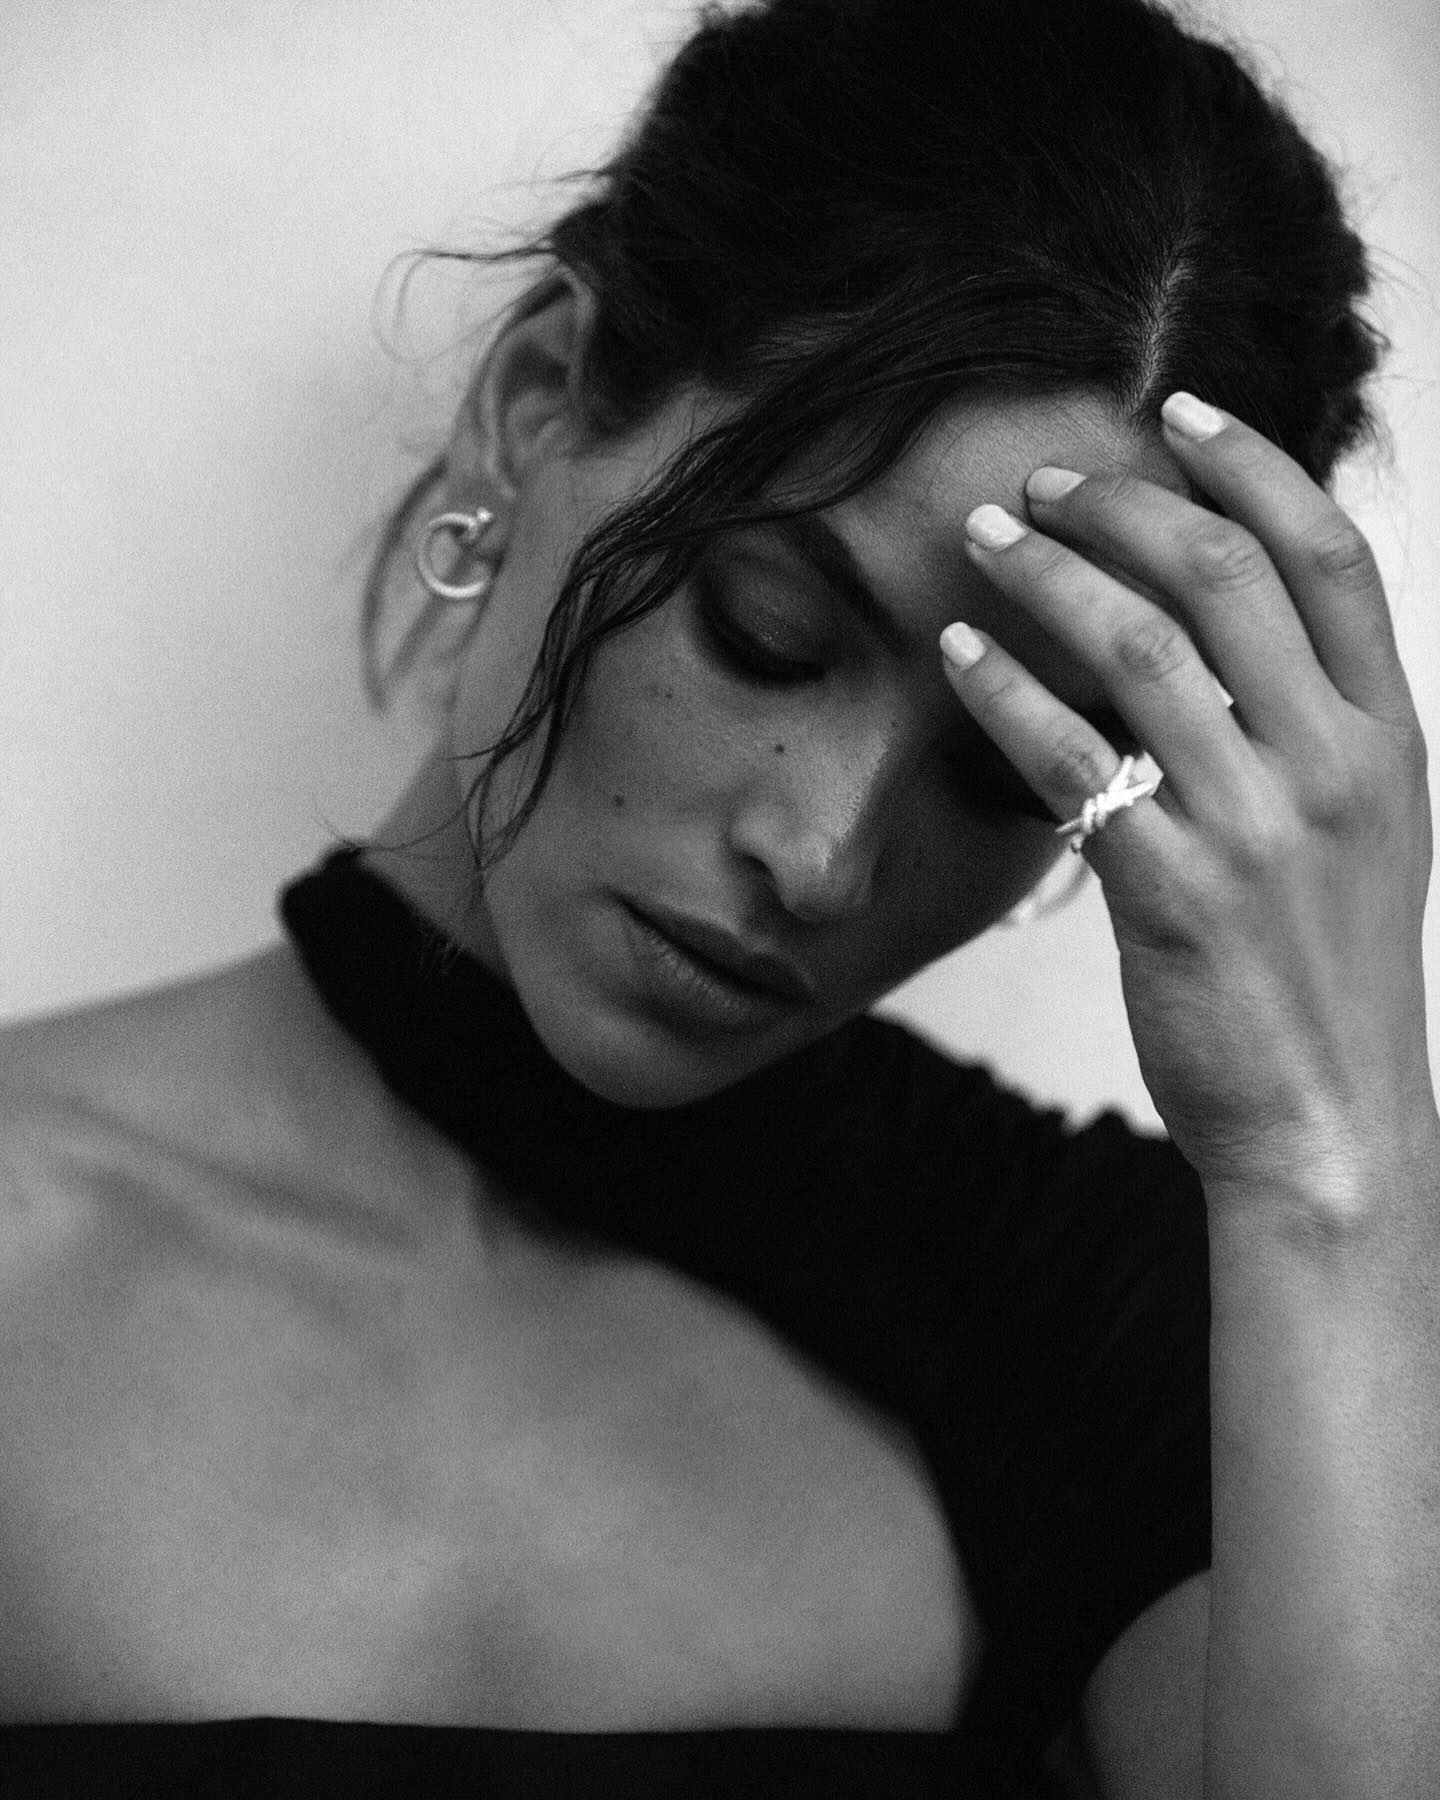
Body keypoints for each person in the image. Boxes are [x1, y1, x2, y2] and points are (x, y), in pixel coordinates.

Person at [1, 0, 1437, 1794]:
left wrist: (1335, 1165)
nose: (823, 855)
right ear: (535, 407)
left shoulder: (1129, 1349)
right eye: (768, 630)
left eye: (1012, 767)